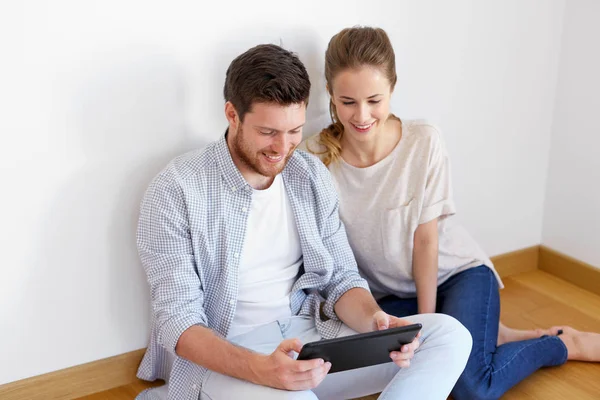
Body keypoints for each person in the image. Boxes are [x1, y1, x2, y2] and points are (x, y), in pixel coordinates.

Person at [134, 43, 472, 400]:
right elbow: (178, 322)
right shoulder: (175, 190)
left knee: (448, 336)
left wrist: (376, 322)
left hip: (310, 339)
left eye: (294, 130)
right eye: (268, 132)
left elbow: (341, 278)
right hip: (230, 356)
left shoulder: (308, 174)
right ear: (232, 115)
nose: (283, 147)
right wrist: (262, 368)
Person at [303, 26, 600, 400]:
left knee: (471, 386)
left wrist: (430, 333)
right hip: (388, 296)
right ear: (330, 93)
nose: (362, 115)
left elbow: (425, 242)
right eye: (348, 102)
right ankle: (495, 333)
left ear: (393, 89)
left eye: (374, 100)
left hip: (455, 275)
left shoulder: (423, 140)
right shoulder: (315, 159)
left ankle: (565, 345)